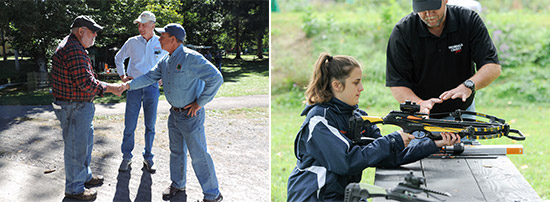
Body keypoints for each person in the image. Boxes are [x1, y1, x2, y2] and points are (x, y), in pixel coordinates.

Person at [286, 53, 461, 201]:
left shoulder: (358, 117)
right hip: (314, 196)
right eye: (356, 83)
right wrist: (392, 139)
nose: (361, 88)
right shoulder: (319, 120)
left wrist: (434, 143)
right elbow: (346, 162)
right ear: (337, 86)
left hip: (343, 194)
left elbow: (388, 155)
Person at [120, 23, 224, 202]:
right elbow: (149, 77)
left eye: (163, 36)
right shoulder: (166, 60)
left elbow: (216, 78)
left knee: (199, 155)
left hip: (191, 116)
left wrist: (200, 103)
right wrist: (127, 85)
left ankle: (212, 195)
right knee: (176, 152)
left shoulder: (191, 58)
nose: (159, 39)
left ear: (173, 40)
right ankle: (178, 184)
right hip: (174, 114)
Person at [386, 0, 501, 117]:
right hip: (420, 115)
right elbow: (397, 82)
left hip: (462, 112)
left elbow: (492, 66)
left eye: (433, 8)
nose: (429, 14)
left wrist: (469, 86)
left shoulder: (468, 20)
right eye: (423, 9)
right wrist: (420, 104)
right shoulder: (403, 31)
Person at [50, 15, 123, 201]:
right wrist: (111, 88)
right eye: (93, 32)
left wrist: (105, 84)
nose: (95, 36)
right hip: (74, 106)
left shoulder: (75, 46)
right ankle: (74, 189)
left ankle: (84, 176)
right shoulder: (73, 48)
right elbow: (85, 83)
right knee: (76, 148)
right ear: (81, 31)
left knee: (85, 144)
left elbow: (86, 77)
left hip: (77, 106)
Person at [114, 11, 168, 173]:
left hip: (152, 88)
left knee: (150, 125)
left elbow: (168, 60)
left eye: (144, 25)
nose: (140, 27)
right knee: (129, 125)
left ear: (153, 25)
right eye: (139, 25)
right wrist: (123, 76)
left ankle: (148, 157)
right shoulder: (132, 42)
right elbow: (118, 58)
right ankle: (126, 157)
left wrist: (163, 77)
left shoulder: (161, 42)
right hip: (134, 87)